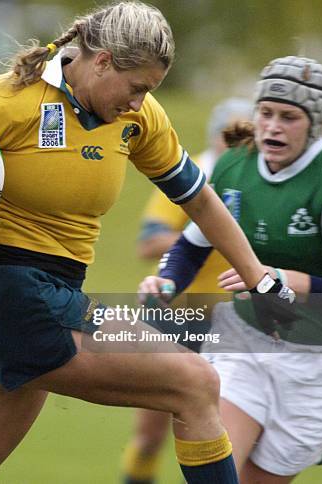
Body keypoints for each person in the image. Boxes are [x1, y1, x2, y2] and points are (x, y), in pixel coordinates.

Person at [0, 2, 292, 482]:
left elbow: (198, 199)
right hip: (14, 298)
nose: (139, 102)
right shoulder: (16, 100)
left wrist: (257, 276)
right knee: (196, 384)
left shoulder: (138, 118)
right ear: (101, 62)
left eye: (150, 91)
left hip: (33, 300)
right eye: (136, 87)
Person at [138, 55, 322, 483]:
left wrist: (290, 281)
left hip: (318, 368)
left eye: (289, 117)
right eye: (265, 113)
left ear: (315, 123)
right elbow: (190, 246)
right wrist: (166, 280)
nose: (273, 127)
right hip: (244, 346)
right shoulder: (233, 167)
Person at [123, 97, 252, 484]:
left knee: (223, 437)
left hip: (232, 323)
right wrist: (210, 234)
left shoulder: (259, 184)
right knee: (150, 437)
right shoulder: (191, 177)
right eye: (228, 139)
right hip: (175, 314)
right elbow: (148, 242)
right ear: (215, 139)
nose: (234, 149)